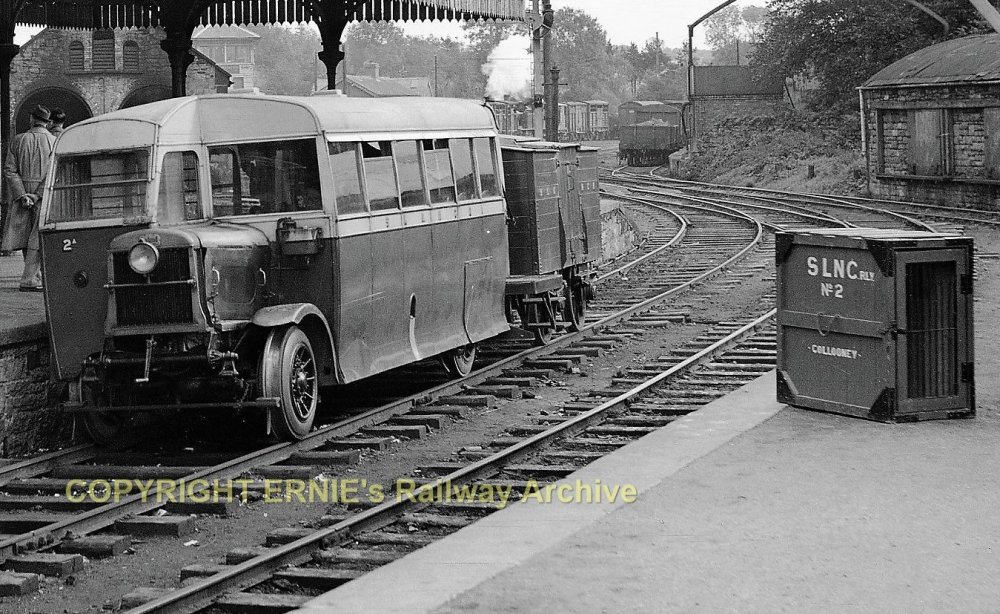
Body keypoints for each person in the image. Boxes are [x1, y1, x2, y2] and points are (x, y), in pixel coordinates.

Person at [1, 105, 56, 292]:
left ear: (32, 120)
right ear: (47, 123)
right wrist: (36, 194)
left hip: (22, 195)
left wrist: (22, 194)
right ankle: (30, 279)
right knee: (37, 237)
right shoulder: (54, 141)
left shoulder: (18, 140)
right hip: (43, 196)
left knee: (25, 237)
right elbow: (53, 173)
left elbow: (9, 170)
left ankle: (34, 276)